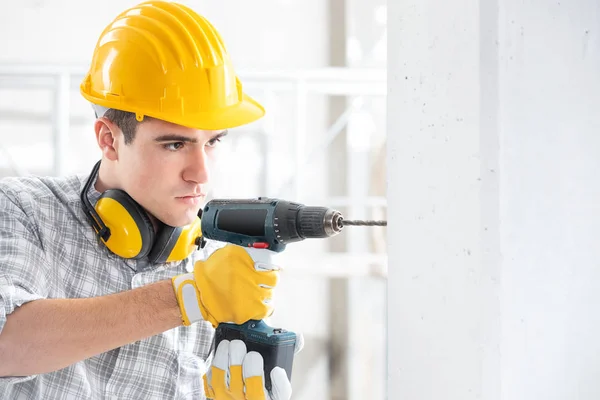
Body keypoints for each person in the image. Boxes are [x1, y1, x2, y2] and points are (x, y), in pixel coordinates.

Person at [0, 1, 301, 399]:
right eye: (175, 144)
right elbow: (7, 345)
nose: (202, 173)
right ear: (109, 139)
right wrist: (186, 297)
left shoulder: (215, 266)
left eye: (212, 142)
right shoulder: (23, 210)